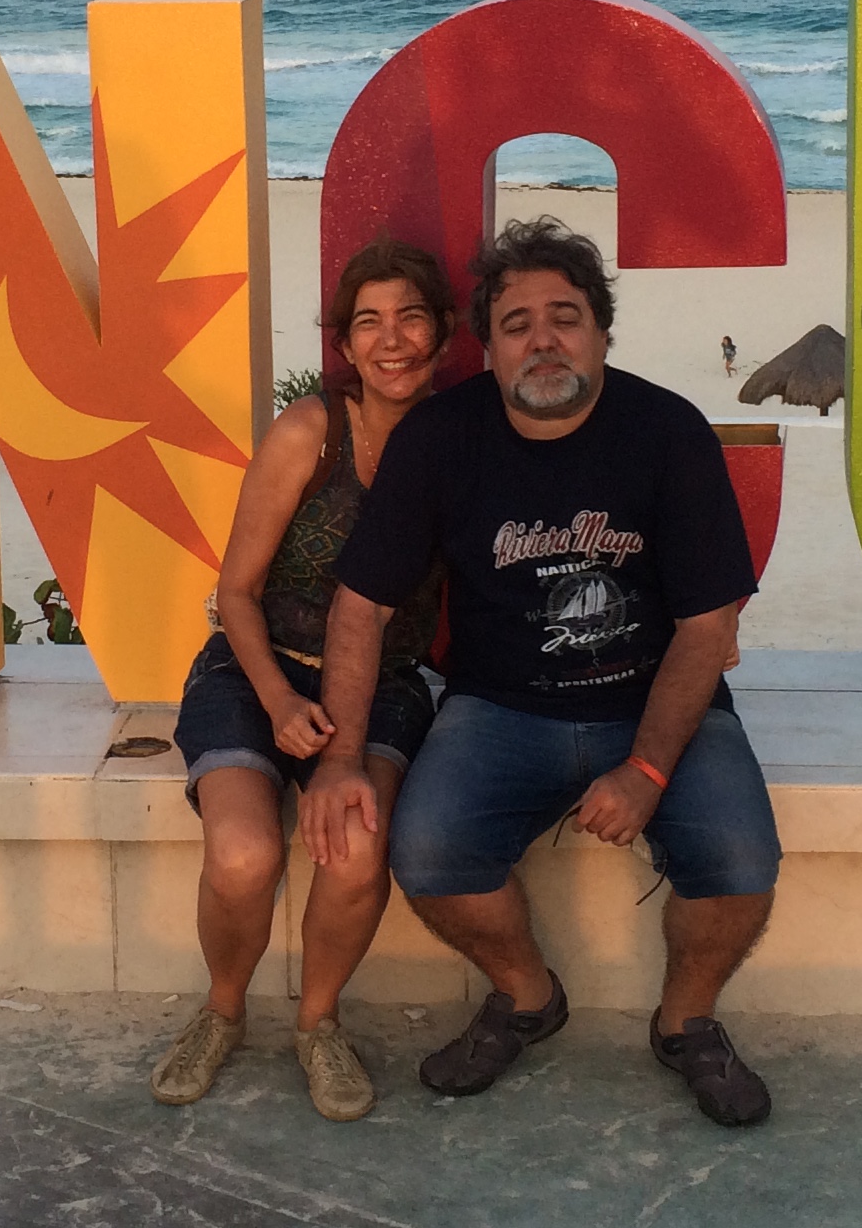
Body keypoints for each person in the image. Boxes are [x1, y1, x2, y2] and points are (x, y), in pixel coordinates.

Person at [308, 218, 780, 1128]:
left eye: (565, 317)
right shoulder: (440, 439)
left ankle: (687, 1023)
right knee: (430, 850)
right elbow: (360, 607)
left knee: (740, 859)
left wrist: (646, 770)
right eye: (517, 324)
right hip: (500, 706)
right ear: (487, 348)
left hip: (656, 700)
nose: (543, 340)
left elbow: (706, 624)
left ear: (602, 333)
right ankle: (527, 996)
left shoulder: (669, 432)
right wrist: (338, 759)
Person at [151, 237, 455, 1121]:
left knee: (356, 851)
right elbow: (235, 593)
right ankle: (222, 1010)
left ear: (442, 332)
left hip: (385, 681)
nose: (391, 341)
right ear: (345, 342)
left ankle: (318, 1022)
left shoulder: (460, 441)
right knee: (244, 855)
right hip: (258, 670)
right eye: (369, 322)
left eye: (410, 318)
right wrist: (281, 701)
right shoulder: (310, 433)